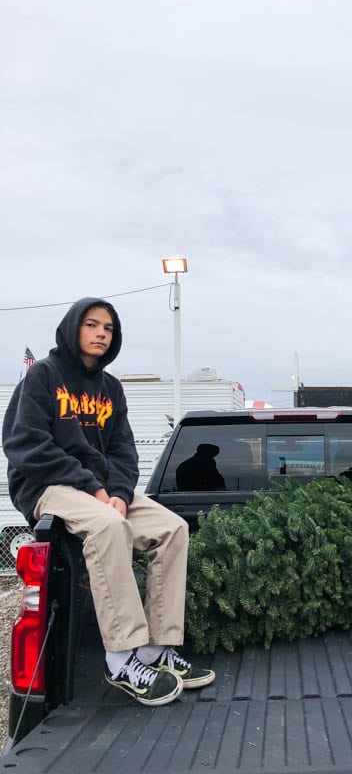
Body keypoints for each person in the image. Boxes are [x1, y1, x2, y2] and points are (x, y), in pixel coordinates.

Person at [2, 297, 215, 706]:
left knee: (172, 528)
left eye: (109, 328)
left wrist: (118, 492)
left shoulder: (111, 388)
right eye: (92, 324)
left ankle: (155, 650)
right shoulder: (44, 376)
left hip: (102, 490)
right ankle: (120, 659)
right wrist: (97, 493)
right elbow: (26, 445)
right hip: (48, 485)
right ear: (72, 328)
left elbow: (123, 451)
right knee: (108, 525)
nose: (102, 333)